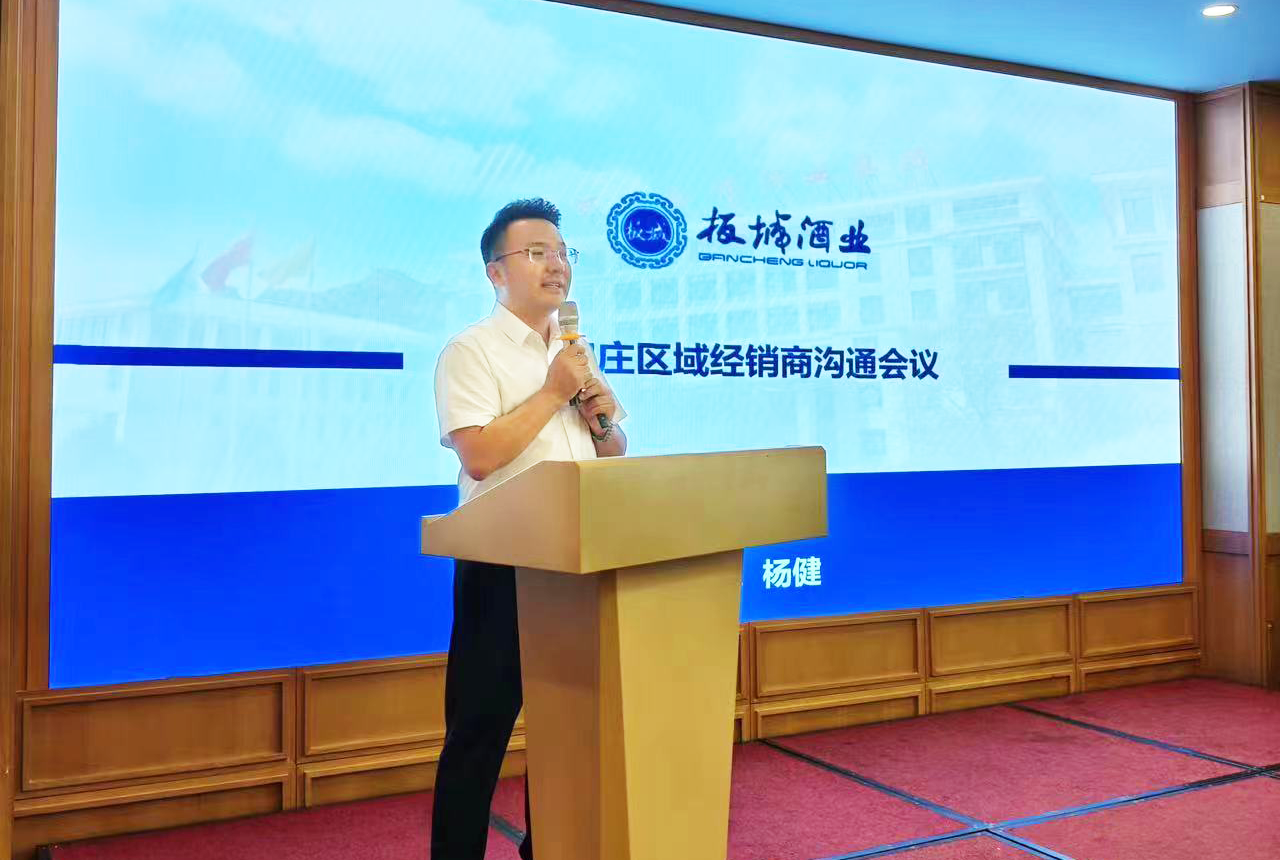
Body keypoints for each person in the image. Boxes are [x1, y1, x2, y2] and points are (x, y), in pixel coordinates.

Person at [430, 198, 627, 859]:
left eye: (564, 253)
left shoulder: (572, 353)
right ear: (496, 271)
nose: (557, 265)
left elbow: (611, 453)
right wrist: (551, 393)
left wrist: (601, 418)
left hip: (576, 562)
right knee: (478, 734)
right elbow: (480, 455)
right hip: (502, 563)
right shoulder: (471, 351)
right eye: (538, 253)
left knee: (566, 729)